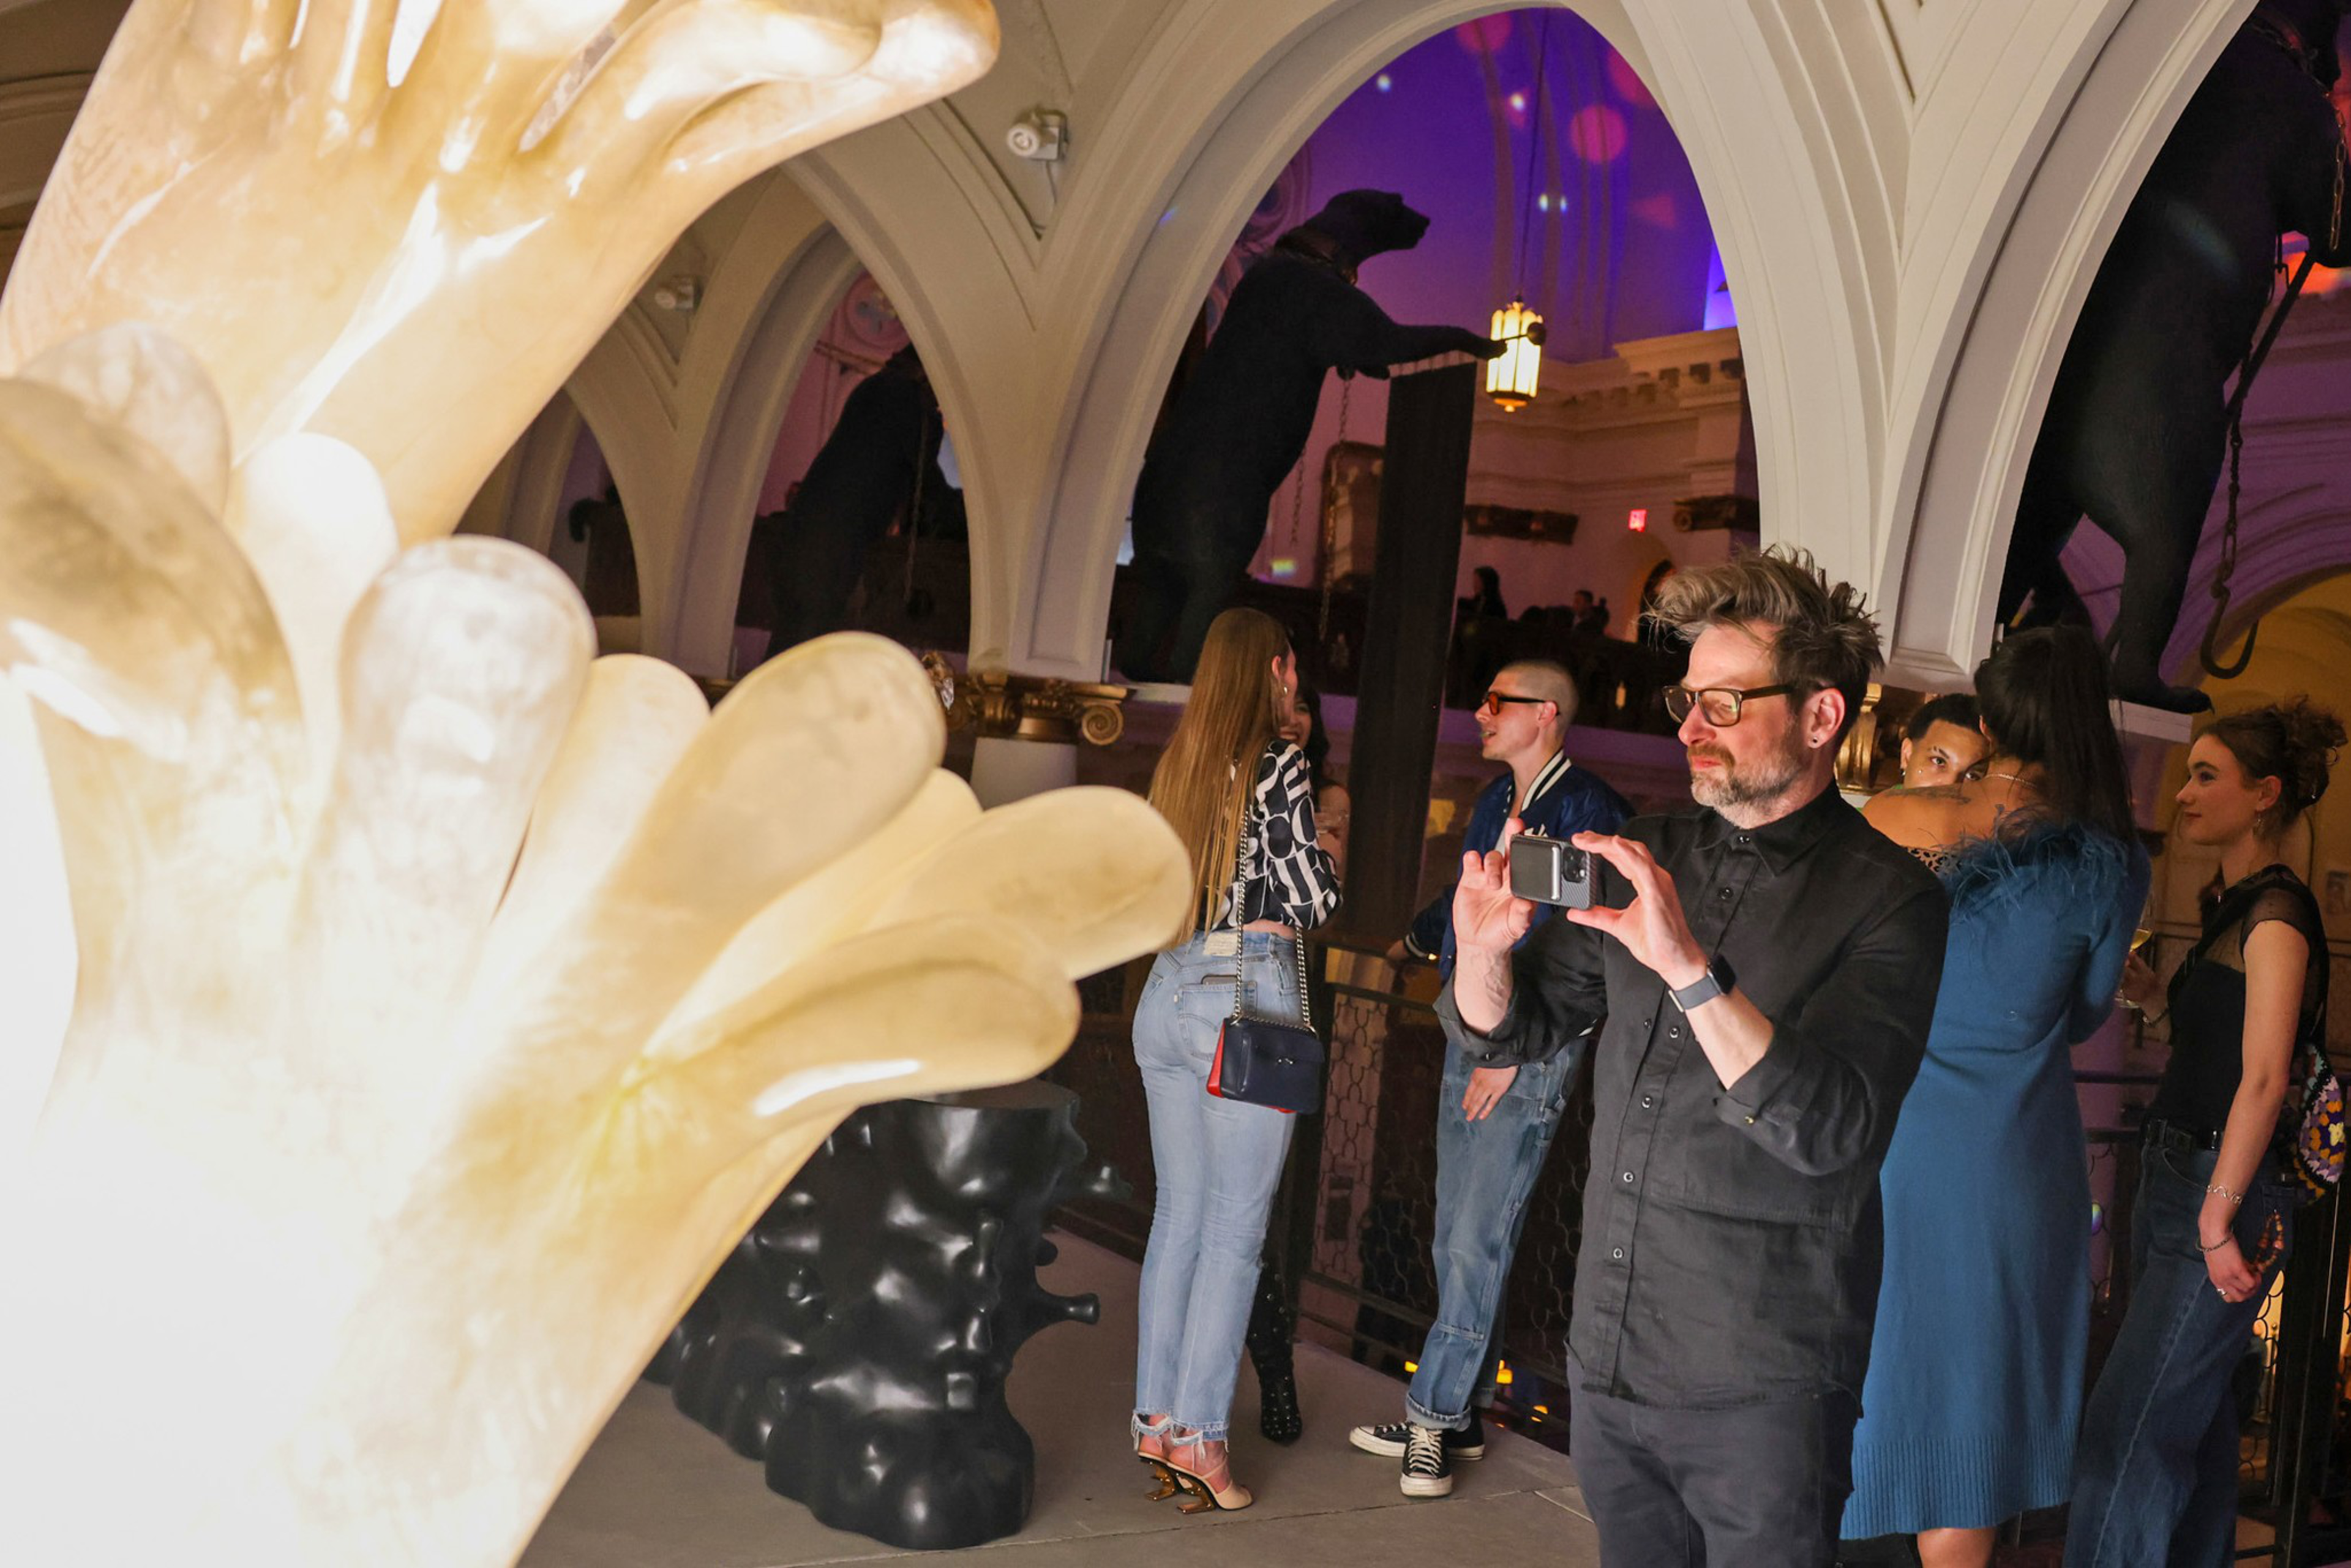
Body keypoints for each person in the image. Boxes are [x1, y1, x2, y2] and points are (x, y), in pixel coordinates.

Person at [1439, 549, 1949, 1567]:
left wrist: (1691, 971)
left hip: (1759, 1381)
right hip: (1608, 1351)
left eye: (1725, 703)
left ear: (1820, 717)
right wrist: (1484, 958)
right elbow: (1519, 1025)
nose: (1689, 729)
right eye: (1687, 700)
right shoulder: (1653, 847)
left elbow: (1834, 1130)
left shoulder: (1894, 898)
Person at [1840, 628, 2149, 1568]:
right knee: (1972, 1403)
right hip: (2013, 1158)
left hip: (1884, 1139)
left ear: (1990, 716)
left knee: (1867, 1368)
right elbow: (2089, 1009)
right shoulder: (2110, 861)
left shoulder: (1893, 816)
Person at [2068, 699, 2344, 1566]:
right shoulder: (2236, 905)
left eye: (2205, 775)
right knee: (2197, 1427)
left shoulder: (2278, 918)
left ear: (2264, 794)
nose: (2184, 794)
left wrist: (2218, 1215)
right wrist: (2154, 998)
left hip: (2217, 1192)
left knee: (2129, 1428)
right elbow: (2218, 1045)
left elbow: (2265, 1076)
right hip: (2182, 1177)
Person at [1355, 660, 1630, 1496]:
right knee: (1457, 1232)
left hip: (1528, 1044)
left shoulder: (1591, 809)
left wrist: (1511, 1055)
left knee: (1478, 1233)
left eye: (1496, 701)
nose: (1478, 712)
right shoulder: (1493, 802)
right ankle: (1463, 1413)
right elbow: (1467, 902)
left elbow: (1590, 952)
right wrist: (1412, 942)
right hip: (1473, 1025)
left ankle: (1435, 1421)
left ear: (1545, 713)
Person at [1131, 607, 1341, 1514]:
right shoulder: (1277, 760)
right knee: (1234, 1231)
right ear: (1280, 670)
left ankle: (1156, 1420)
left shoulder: (1181, 764)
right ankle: (1204, 1440)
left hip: (1167, 990)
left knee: (1178, 1218)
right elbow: (1308, 896)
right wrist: (1325, 844)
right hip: (1243, 999)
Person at [1242, 677, 1348, 1447]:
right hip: (1255, 984)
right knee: (1237, 1223)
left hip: (1299, 997)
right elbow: (1307, 884)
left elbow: (1321, 891)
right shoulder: (1265, 776)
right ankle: (1271, 1376)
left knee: (1257, 1216)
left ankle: (1273, 1378)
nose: (1294, 720)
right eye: (1285, 707)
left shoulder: (1323, 788)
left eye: (1304, 709)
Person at [1897, 692, 1990, 789]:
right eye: (1939, 761)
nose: (1950, 785)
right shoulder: (1880, 803)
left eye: (1972, 776)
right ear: (1907, 755)